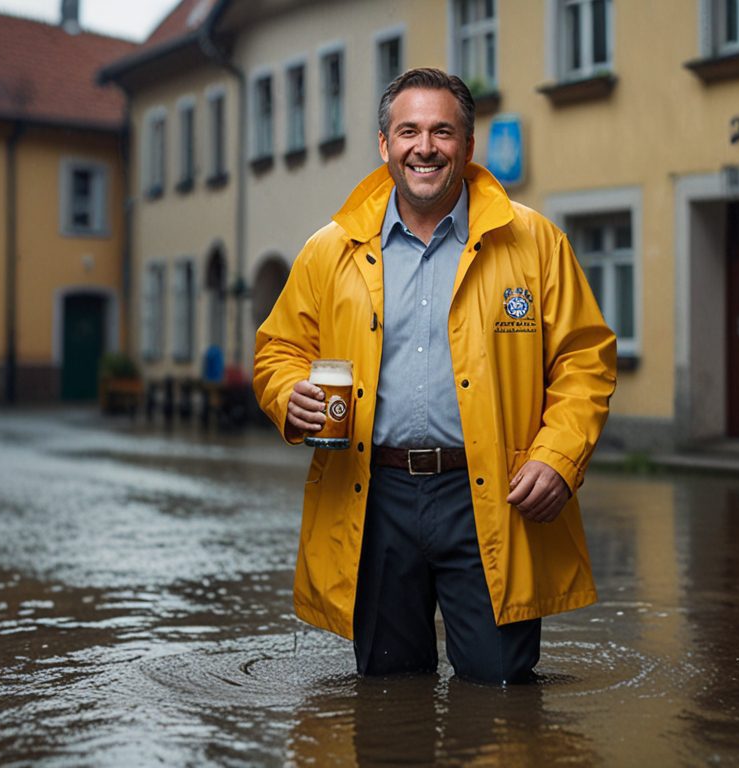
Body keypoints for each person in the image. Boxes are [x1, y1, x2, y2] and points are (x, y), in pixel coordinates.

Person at [254, 68, 616, 685]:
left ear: (467, 147)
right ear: (384, 145)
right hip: (373, 494)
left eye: (442, 131)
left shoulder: (533, 242)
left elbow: (584, 359)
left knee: (499, 685)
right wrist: (288, 395)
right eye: (409, 131)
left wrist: (558, 458)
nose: (425, 146)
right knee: (390, 690)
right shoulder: (330, 249)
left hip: (491, 495)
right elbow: (278, 349)